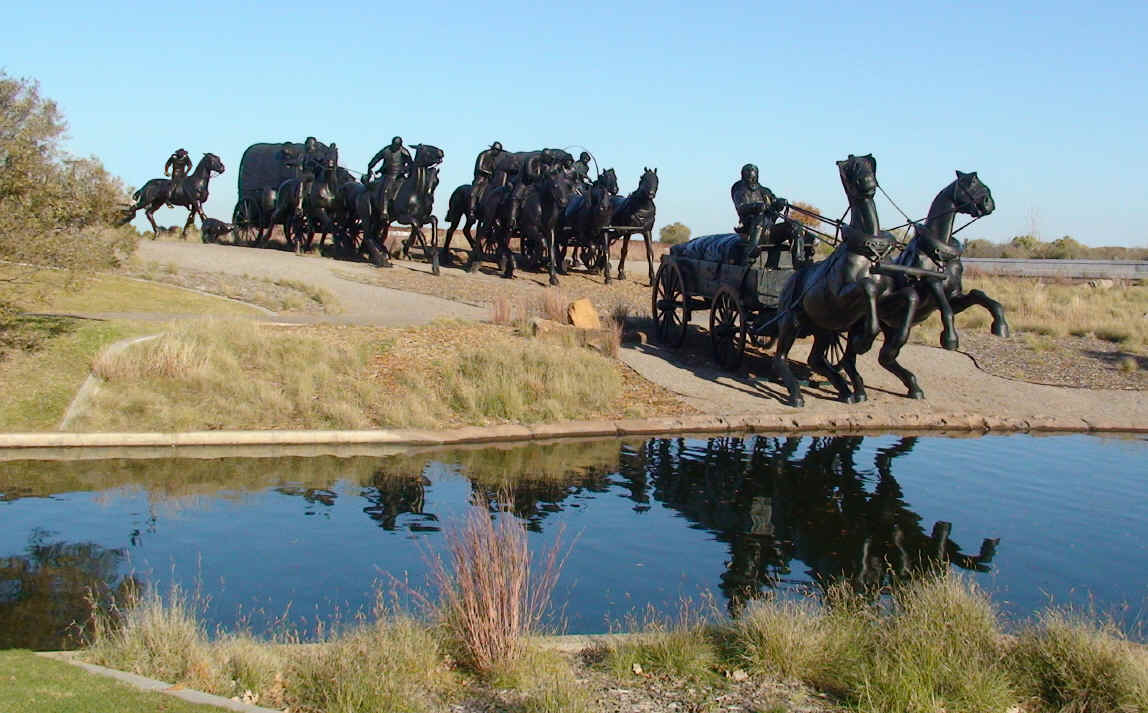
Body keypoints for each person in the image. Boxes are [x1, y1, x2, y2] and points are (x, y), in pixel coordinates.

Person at [731, 163, 787, 248]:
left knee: (795, 225)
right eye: (749, 177)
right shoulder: (739, 190)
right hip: (750, 227)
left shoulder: (765, 191)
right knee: (759, 221)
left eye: (754, 177)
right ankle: (752, 249)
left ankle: (799, 258)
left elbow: (775, 203)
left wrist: (780, 203)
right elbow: (741, 208)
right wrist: (757, 206)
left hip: (769, 227)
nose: (752, 180)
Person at [367, 136, 413, 217]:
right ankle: (384, 211)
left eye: (397, 145)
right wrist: (370, 166)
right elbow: (376, 158)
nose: (395, 147)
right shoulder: (386, 150)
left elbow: (411, 165)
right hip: (388, 175)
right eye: (394, 145)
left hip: (400, 177)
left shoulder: (404, 152)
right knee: (386, 190)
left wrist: (404, 170)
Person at [467, 141, 503, 216]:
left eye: (499, 151)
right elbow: (479, 168)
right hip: (480, 178)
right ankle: (471, 210)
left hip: (488, 180)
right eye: (497, 151)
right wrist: (489, 173)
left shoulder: (494, 158)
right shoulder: (483, 154)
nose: (498, 153)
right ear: (494, 149)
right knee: (473, 193)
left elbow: (494, 168)